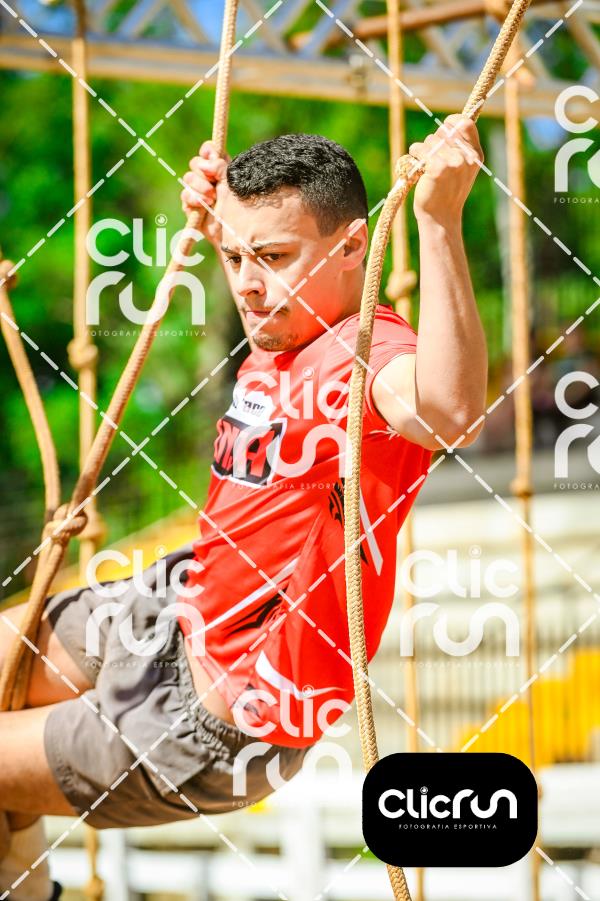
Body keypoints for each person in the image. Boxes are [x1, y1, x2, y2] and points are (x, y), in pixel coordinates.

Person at [0, 117, 487, 900]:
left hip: (218, 715)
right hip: (169, 608)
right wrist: (219, 208)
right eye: (235, 259)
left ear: (353, 248)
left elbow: (447, 410)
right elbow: (252, 238)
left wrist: (438, 220)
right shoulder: (284, 319)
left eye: (274, 257)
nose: (248, 284)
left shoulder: (371, 356)